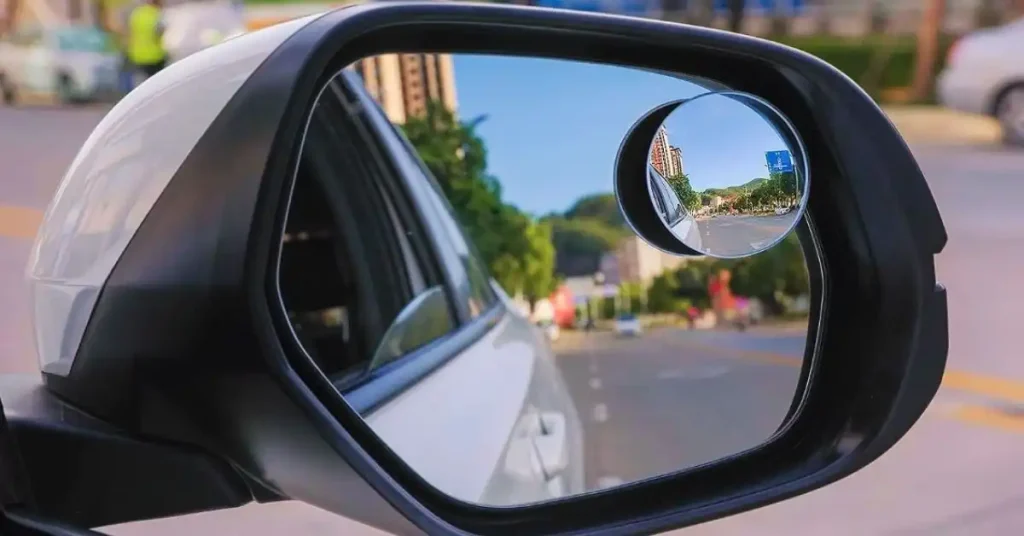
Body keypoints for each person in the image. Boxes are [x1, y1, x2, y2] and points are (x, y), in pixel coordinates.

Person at [127, 0, 168, 84]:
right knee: (157, 84)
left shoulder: (136, 13)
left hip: (137, 56)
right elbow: (159, 33)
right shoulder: (157, 14)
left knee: (141, 85)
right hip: (155, 57)